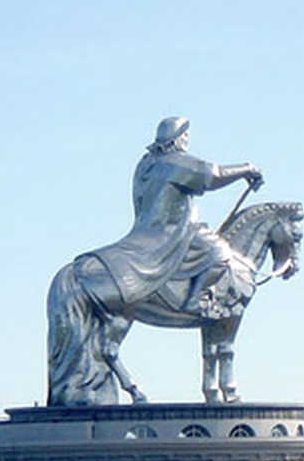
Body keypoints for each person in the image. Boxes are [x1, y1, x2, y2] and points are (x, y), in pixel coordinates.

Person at [79, 116, 265, 317]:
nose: (186, 140)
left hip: (145, 230)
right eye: (184, 135)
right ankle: (195, 301)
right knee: (220, 252)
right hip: (172, 231)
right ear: (176, 138)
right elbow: (214, 175)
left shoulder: (146, 164)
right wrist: (246, 169)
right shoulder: (176, 162)